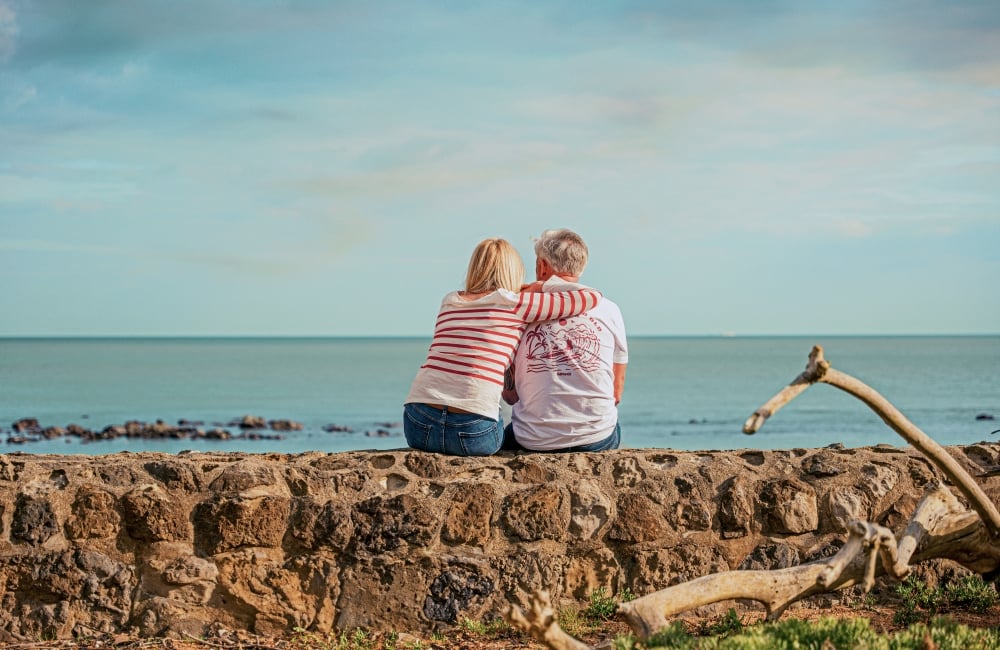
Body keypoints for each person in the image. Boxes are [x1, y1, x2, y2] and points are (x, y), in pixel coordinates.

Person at [403, 237, 602, 456]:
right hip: (472, 432)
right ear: (513, 271)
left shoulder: (450, 301)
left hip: (417, 423)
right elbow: (591, 296)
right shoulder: (515, 303)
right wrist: (540, 286)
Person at [502, 229, 627, 452]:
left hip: (533, 440)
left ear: (542, 265)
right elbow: (616, 393)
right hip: (597, 438)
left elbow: (510, 396)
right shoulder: (609, 309)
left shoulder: (522, 308)